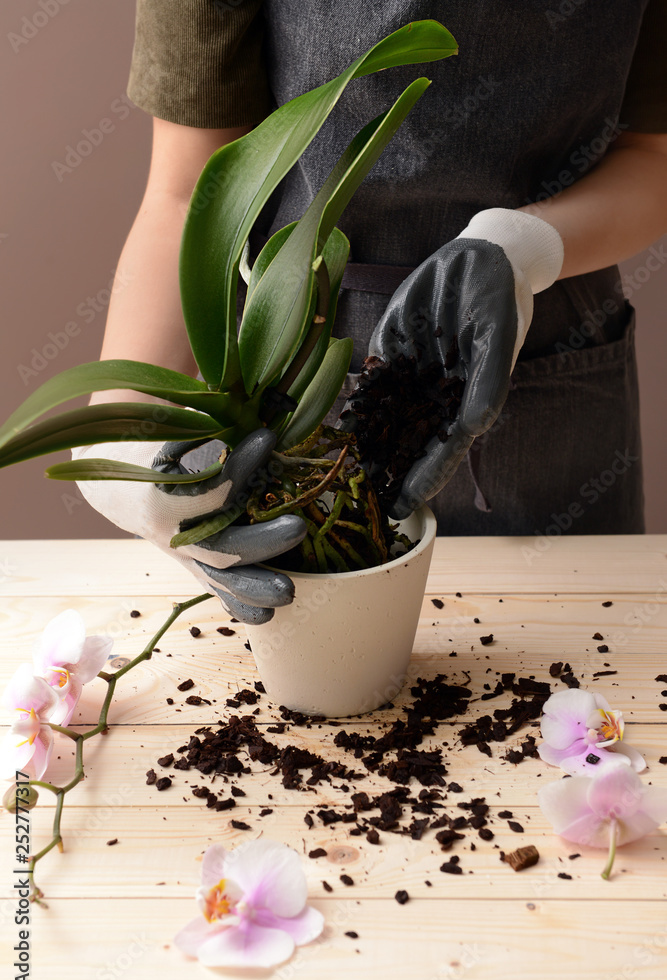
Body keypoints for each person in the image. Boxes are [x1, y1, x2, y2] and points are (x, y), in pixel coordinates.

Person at [75, 1, 667, 623]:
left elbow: (654, 155)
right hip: (296, 374)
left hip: (555, 376)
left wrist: (521, 247)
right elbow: (188, 191)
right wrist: (127, 442)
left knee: (584, 663)